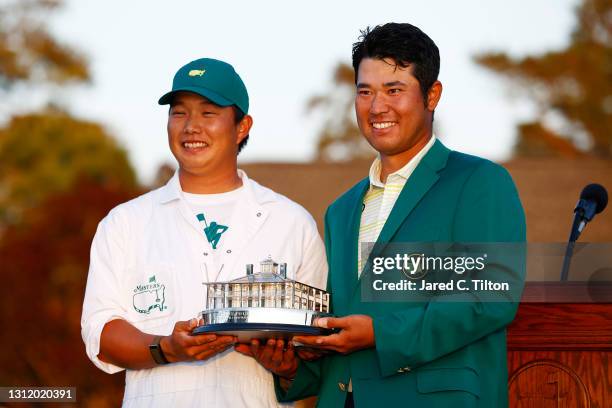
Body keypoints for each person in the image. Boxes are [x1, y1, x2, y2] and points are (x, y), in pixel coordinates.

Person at [238, 23, 526, 407]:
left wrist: (379, 334)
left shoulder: (480, 182)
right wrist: (294, 365)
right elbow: (345, 324)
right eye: (365, 92)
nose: (376, 107)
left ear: (432, 94)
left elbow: (488, 297)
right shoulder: (340, 210)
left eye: (394, 90)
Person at [80, 58, 327, 407]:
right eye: (179, 113)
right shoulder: (125, 222)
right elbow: (101, 332)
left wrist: (286, 366)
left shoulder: (291, 222)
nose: (191, 127)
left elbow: (315, 347)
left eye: (208, 113)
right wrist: (166, 348)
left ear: (242, 127)